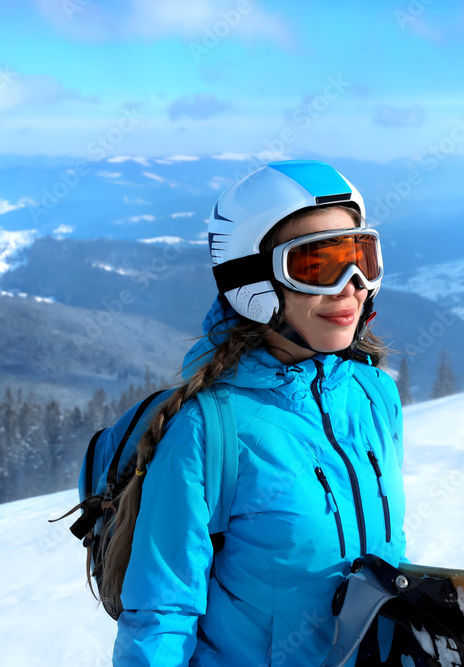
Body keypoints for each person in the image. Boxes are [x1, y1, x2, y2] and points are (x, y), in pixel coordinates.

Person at [99, 160, 408, 665]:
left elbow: (385, 553)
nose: (350, 284)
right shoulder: (207, 432)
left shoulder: (375, 396)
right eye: (316, 265)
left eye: (361, 257)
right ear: (255, 282)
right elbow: (162, 615)